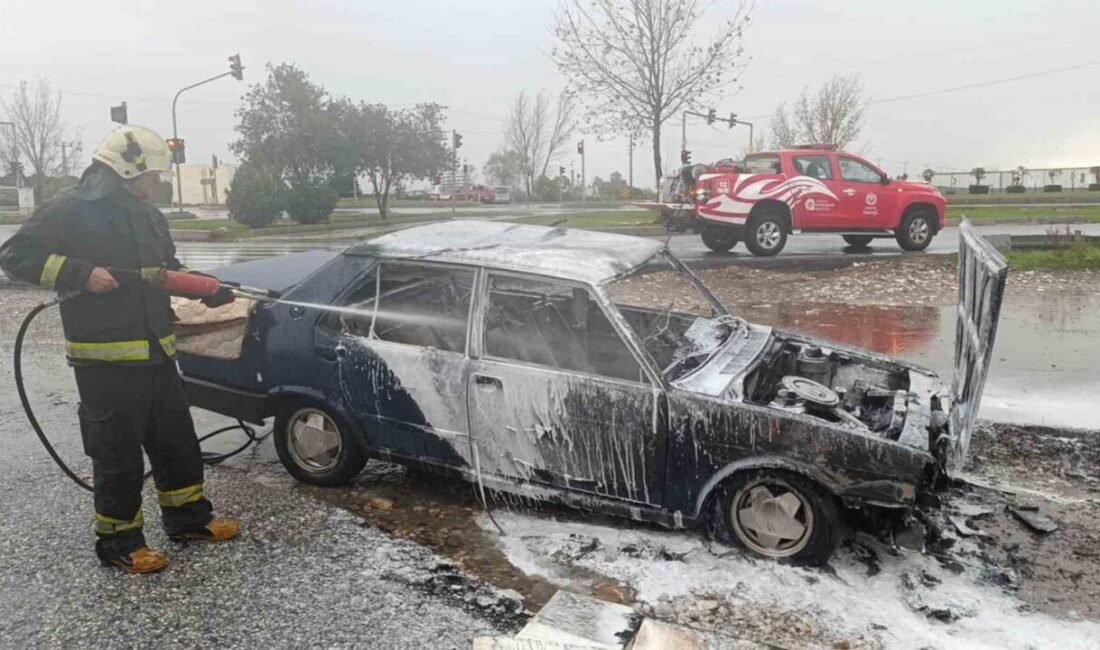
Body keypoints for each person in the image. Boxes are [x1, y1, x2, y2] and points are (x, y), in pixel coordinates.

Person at [0, 125, 239, 574]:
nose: (157, 185)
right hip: (104, 361)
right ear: (128, 169)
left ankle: (189, 519)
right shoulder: (69, 210)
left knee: (177, 442)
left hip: (157, 353)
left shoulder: (148, 216)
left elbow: (165, 270)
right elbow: (14, 255)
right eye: (153, 176)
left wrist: (206, 290)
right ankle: (119, 543)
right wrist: (79, 272)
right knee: (117, 453)